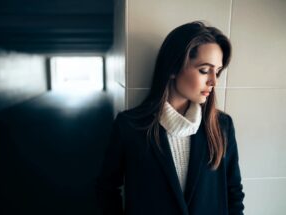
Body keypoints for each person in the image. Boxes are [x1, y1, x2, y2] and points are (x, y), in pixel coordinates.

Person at [95, 21, 245, 215]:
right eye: (204, 70)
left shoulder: (222, 126)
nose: (214, 81)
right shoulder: (130, 127)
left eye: (217, 71)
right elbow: (106, 190)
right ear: (173, 68)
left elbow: (233, 193)